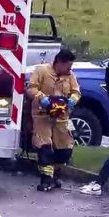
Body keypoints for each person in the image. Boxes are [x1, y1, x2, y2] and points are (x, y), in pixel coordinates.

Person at [27, 48, 81, 191]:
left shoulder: (70, 76)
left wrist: (72, 100)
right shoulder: (42, 71)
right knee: (45, 148)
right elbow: (31, 88)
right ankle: (46, 179)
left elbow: (76, 92)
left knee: (65, 150)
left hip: (62, 117)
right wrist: (42, 98)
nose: (70, 69)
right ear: (60, 63)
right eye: (68, 66)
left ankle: (55, 176)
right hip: (42, 115)